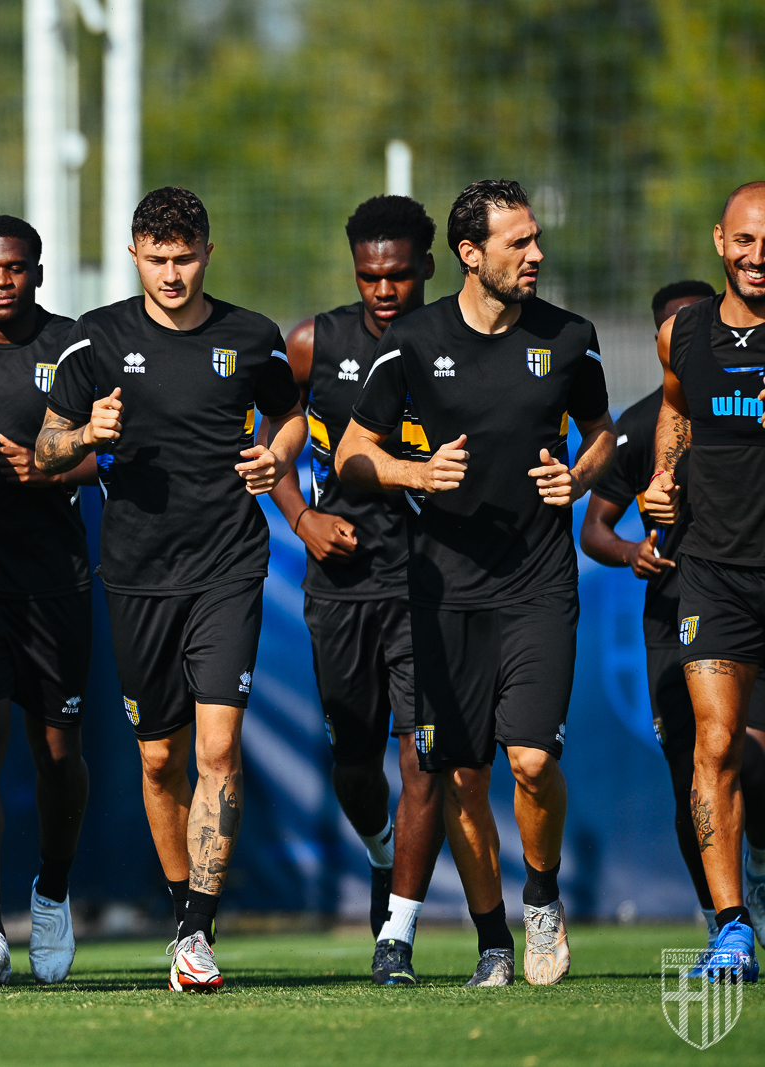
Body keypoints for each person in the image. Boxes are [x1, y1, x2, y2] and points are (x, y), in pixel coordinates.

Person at [336, 179, 616, 988]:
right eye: (517, 243)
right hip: (443, 591)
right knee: (460, 773)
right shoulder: (414, 340)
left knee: (529, 759)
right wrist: (412, 471)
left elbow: (602, 437)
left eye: (535, 240)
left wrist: (581, 474)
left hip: (538, 584)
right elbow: (356, 450)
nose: (536, 255)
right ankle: (493, 942)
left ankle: (542, 898)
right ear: (470, 254)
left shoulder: (571, 338)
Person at [36, 187, 307, 992]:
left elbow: (292, 416)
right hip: (136, 573)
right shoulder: (98, 340)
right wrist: (88, 433)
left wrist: (276, 454)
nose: (172, 273)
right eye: (157, 258)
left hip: (228, 564)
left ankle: (194, 934)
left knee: (218, 747)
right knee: (160, 758)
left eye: (185, 257)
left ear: (207, 254)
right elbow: (47, 449)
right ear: (133, 255)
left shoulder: (250, 336)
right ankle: (185, 907)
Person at [267, 195, 446, 986]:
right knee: (353, 758)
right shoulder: (313, 342)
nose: (384, 290)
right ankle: (381, 853)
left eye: (400, 276)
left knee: (425, 758)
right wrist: (302, 518)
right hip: (340, 584)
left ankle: (396, 934)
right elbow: (270, 440)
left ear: (428, 270)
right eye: (371, 276)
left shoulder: (458, 344)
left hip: (433, 585)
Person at [579, 280, 765, 952]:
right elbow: (595, 528)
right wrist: (635, 550)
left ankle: (757, 864)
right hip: (681, 607)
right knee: (699, 754)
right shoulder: (644, 420)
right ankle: (724, 920)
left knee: (750, 756)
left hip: (743, 586)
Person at [0, 215, 97, 985]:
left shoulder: (73, 346)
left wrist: (54, 472)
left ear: (37, 271)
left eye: (16, 268)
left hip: (52, 578)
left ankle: (54, 890)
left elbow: (119, 449)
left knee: (59, 754)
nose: (2, 281)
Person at [646, 182, 765, 982]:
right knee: (713, 746)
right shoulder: (681, 333)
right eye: (747, 240)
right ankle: (731, 928)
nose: (760, 257)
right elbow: (676, 407)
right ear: (720, 242)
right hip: (716, 572)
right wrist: (662, 473)